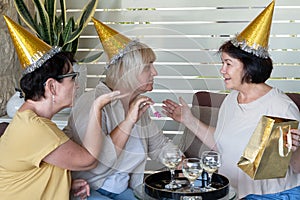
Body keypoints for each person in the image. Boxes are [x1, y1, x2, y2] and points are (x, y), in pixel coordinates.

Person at [162, 1, 300, 199]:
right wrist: (187, 119)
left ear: (249, 67)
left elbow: (295, 167)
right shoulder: (232, 100)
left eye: (228, 63)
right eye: (222, 63)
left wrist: (296, 149)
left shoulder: (280, 107)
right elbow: (222, 144)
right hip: (232, 193)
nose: (222, 70)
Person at [0, 16, 123, 200]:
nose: (77, 85)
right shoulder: (35, 129)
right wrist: (96, 107)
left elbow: (32, 173)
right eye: (72, 77)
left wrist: (66, 184)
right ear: (51, 86)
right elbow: (88, 160)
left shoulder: (31, 120)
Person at [64, 18, 181, 200]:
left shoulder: (137, 103)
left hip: (124, 190)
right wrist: (128, 122)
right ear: (127, 71)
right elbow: (94, 162)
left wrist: (182, 163)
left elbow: (157, 144)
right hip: (90, 190)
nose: (155, 72)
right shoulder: (93, 103)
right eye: (147, 67)